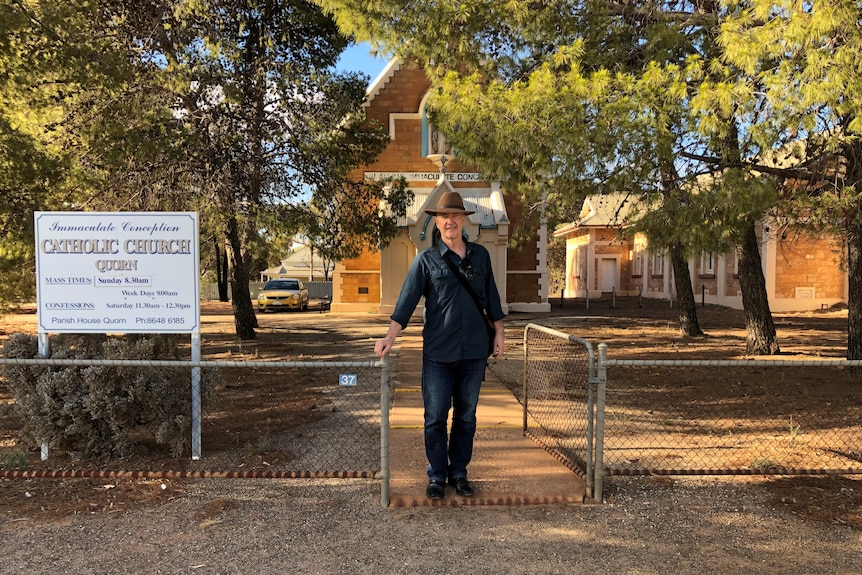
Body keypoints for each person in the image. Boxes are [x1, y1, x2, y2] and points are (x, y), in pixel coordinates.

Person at [374, 191, 505, 499]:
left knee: (466, 416)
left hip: (473, 351)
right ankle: (436, 474)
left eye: (456, 216)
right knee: (434, 417)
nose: (450, 221)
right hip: (437, 352)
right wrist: (389, 337)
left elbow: (492, 298)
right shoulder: (426, 260)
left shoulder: (481, 256)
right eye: (445, 216)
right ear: (437, 220)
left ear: (463, 220)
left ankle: (458, 472)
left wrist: (499, 333)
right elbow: (406, 302)